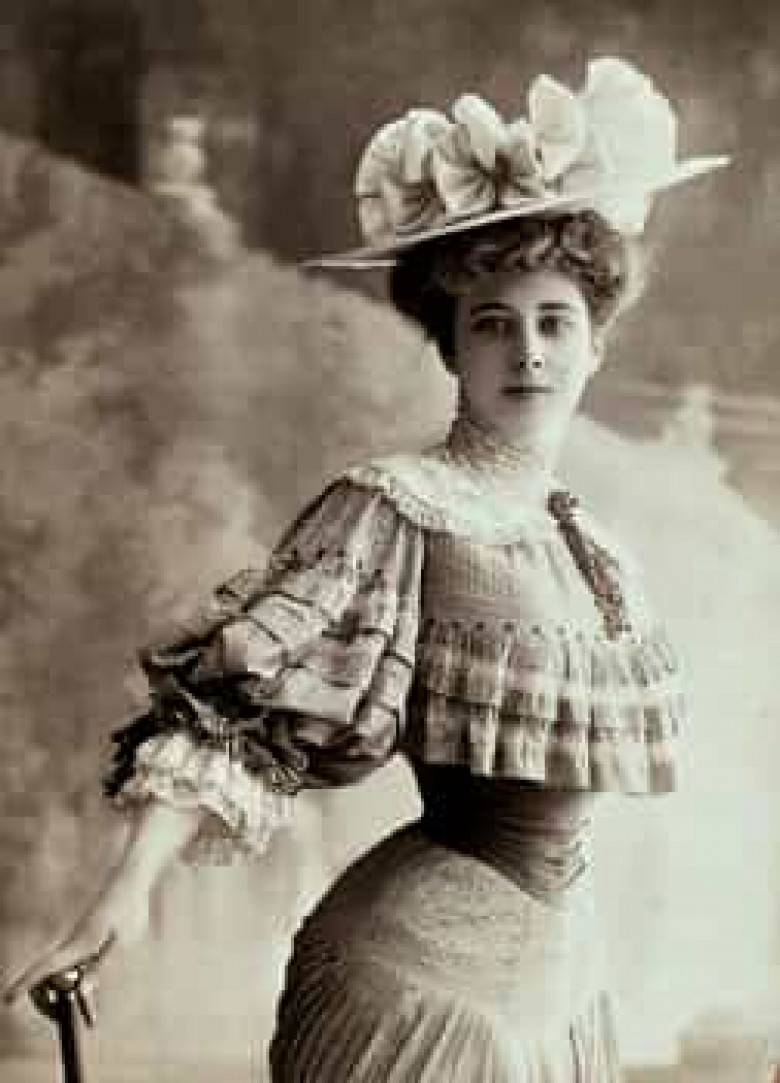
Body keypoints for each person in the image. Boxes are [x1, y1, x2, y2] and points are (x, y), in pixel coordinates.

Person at [4, 57, 727, 1080]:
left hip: (557, 984)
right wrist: (118, 900)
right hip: (415, 987)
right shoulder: (398, 507)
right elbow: (236, 710)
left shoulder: (589, 542)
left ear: (595, 346)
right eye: (493, 324)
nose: (527, 351)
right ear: (452, 350)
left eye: (554, 322)